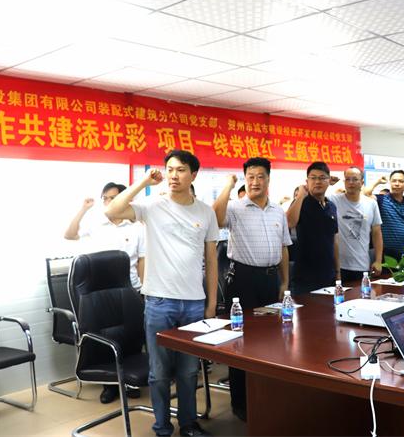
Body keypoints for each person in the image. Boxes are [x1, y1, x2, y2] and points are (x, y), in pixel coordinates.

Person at [105, 150, 218, 437]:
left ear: (193, 175)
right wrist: (144, 181)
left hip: (194, 303)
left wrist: (211, 303)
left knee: (189, 370)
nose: (173, 175)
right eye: (170, 169)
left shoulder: (205, 212)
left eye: (180, 170)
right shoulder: (152, 206)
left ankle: (189, 424)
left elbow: (211, 260)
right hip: (159, 302)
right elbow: (112, 211)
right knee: (159, 372)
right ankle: (162, 428)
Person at [212, 157, 291, 422]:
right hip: (243, 280)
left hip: (270, 280)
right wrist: (228, 185)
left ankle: (265, 395)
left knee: (271, 339)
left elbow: (284, 247)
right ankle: (241, 403)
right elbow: (216, 218)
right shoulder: (235, 207)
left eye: (260, 176)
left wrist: (284, 282)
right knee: (240, 342)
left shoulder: (277, 210)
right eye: (250, 177)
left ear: (268, 179)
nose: (255, 182)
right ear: (245, 179)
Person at [64, 181, 146, 404]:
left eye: (112, 198)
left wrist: (143, 289)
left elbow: (142, 260)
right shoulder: (95, 221)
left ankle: (129, 382)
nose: (108, 202)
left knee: (131, 336)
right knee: (105, 338)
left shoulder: (136, 226)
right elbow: (70, 235)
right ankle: (109, 385)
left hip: (130, 289)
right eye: (105, 199)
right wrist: (83, 209)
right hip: (99, 293)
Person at [286, 161, 339, 295]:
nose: (317, 182)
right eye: (313, 178)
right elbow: (289, 223)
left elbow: (334, 240)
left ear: (328, 181)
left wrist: (338, 271)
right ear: (307, 181)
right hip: (305, 277)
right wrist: (300, 196)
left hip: (328, 274)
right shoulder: (301, 203)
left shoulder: (331, 206)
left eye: (322, 178)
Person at [330, 167, 383, 282]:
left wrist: (378, 260)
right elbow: (314, 196)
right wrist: (327, 182)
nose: (351, 182)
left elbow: (377, 233)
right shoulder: (334, 200)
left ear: (362, 182)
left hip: (362, 265)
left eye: (355, 179)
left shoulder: (371, 204)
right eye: (347, 179)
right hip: (338, 266)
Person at [364, 171, 404, 262]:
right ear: (390, 183)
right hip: (385, 255)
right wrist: (378, 181)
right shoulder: (381, 200)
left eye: (400, 181)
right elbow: (365, 194)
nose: (397, 184)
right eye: (394, 181)